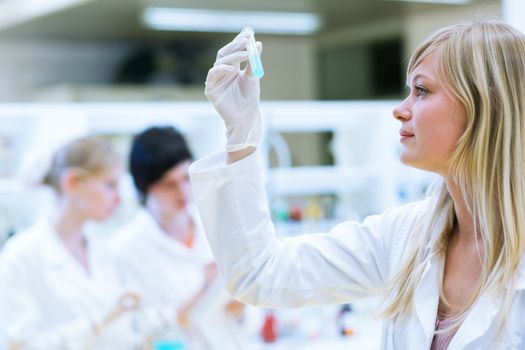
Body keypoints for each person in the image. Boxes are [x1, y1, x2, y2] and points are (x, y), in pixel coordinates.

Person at [188, 21, 525, 349]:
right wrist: (241, 132)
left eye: (421, 91)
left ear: (483, 108)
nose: (399, 110)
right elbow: (261, 274)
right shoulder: (406, 237)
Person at [0, 136, 172, 349]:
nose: (118, 198)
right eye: (110, 185)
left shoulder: (103, 251)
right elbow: (19, 345)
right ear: (72, 183)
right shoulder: (22, 254)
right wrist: (99, 320)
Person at [110, 126, 249, 350]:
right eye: (168, 184)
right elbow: (138, 331)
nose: (182, 191)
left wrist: (242, 305)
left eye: (186, 178)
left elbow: (250, 314)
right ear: (144, 188)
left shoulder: (217, 225)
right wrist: (203, 290)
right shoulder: (125, 248)